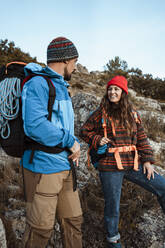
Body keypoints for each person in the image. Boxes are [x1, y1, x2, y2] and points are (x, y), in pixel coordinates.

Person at [80, 75, 165, 248]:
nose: (112, 92)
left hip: (133, 164)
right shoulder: (99, 113)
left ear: (123, 92)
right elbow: (84, 131)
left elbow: (142, 138)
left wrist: (147, 161)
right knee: (113, 206)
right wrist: (97, 139)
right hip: (109, 167)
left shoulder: (133, 113)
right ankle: (113, 240)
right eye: (110, 89)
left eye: (116, 89)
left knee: (163, 186)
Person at [21, 37, 83, 248]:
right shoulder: (38, 83)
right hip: (43, 168)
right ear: (65, 60)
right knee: (40, 231)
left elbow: (62, 126)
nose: (76, 67)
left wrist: (74, 143)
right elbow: (35, 125)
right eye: (75, 61)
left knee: (73, 223)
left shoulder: (62, 87)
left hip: (65, 167)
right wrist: (69, 140)